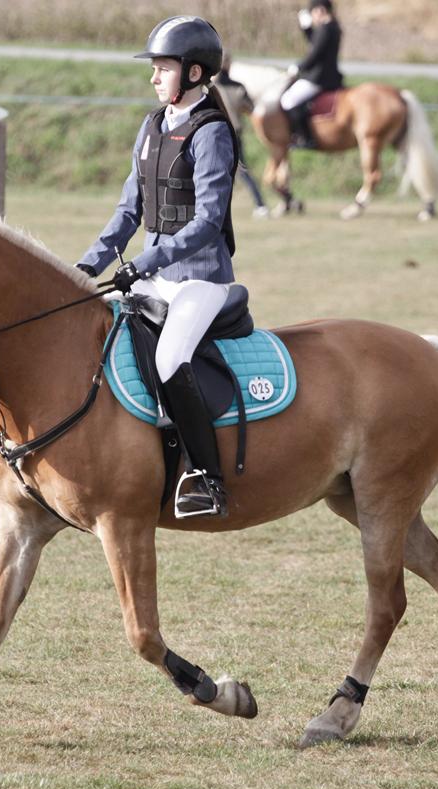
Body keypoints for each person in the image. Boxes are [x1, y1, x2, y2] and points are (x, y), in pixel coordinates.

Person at [75, 15, 239, 518]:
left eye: (163, 68)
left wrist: (145, 260)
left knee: (170, 361)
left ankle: (207, 478)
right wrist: (87, 265)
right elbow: (129, 210)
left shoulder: (210, 133)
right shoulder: (151, 127)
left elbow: (209, 221)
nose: (153, 77)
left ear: (193, 73)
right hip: (155, 277)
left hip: (200, 280)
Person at [280, 0, 344, 149]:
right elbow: (316, 42)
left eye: (313, 13)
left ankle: (305, 138)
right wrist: (307, 29)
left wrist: (297, 67)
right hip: (330, 76)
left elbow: (314, 54)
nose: (313, 17)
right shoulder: (333, 27)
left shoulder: (325, 29)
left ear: (320, 10)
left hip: (319, 78)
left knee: (287, 100)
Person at [215, 51, 270, 218]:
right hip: (233, 134)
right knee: (242, 172)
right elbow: (250, 108)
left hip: (215, 133)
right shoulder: (238, 87)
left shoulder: (209, 87)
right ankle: (260, 205)